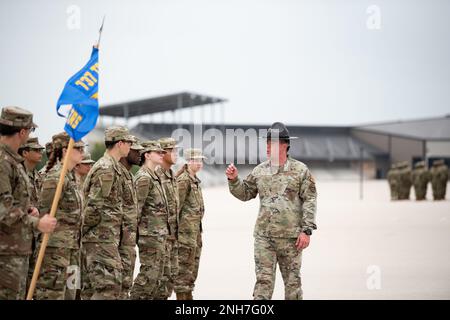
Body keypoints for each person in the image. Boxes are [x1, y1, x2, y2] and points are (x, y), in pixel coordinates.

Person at [225, 122, 317, 300]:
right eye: (267, 142)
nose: (267, 146)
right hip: (264, 238)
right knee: (263, 284)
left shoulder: (300, 171)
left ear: (284, 145)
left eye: (272, 142)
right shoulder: (259, 171)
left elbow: (310, 199)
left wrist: (307, 231)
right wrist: (234, 179)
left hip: (292, 240)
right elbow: (245, 193)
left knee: (293, 286)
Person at [0, 106, 56, 300]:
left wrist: (28, 210)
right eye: (31, 130)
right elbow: (3, 208)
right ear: (23, 132)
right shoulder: (2, 160)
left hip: (16, 248)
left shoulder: (12, 160)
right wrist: (37, 223)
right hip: (6, 252)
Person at [81, 126, 134, 300]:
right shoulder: (106, 169)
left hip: (107, 237)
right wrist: (86, 233)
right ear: (120, 143)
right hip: (99, 238)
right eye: (129, 142)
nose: (131, 146)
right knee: (108, 288)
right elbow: (93, 207)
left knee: (105, 287)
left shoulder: (114, 167)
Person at [33, 132, 85, 299]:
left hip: (72, 248)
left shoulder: (71, 177)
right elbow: (43, 211)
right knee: (53, 294)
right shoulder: (56, 176)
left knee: (71, 293)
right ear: (65, 150)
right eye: (79, 148)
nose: (83, 153)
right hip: (55, 250)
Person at [130, 141, 169, 300]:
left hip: (158, 234)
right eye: (157, 152)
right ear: (147, 155)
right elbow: (136, 209)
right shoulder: (144, 178)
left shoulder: (155, 176)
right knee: (149, 275)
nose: (162, 154)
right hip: (149, 235)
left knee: (157, 277)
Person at [174, 148, 206, 300]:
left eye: (201, 160)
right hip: (184, 237)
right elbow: (175, 209)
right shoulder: (184, 181)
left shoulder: (194, 180)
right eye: (195, 160)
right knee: (183, 274)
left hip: (194, 235)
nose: (199, 163)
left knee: (191, 272)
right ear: (188, 161)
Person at [118, 140, 143, 299]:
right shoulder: (115, 172)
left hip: (128, 241)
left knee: (125, 285)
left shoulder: (128, 175)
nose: (139, 154)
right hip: (115, 241)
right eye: (136, 150)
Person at [155, 137, 180, 299]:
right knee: (157, 282)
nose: (176, 154)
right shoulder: (156, 175)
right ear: (163, 153)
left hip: (172, 237)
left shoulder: (172, 174)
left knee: (169, 280)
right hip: (158, 237)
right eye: (172, 150)